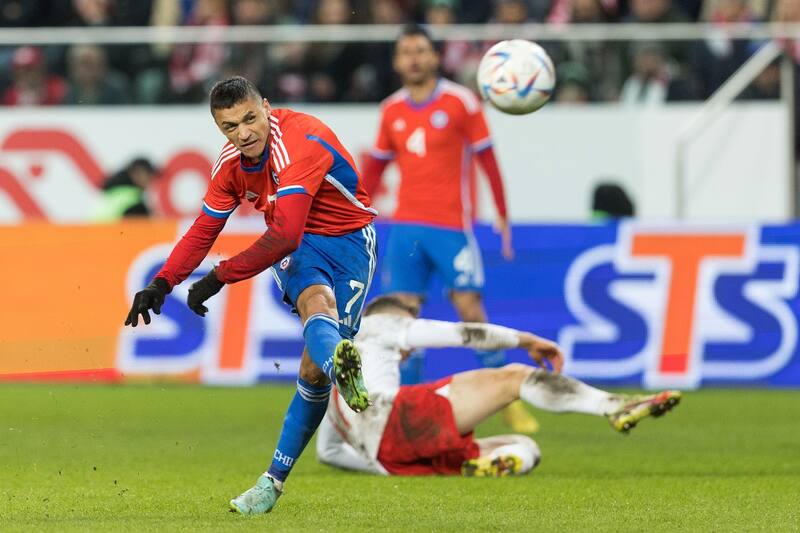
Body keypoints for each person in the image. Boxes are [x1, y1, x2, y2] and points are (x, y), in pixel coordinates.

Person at [123, 76, 377, 514]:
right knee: (315, 305)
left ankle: (332, 368)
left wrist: (219, 277)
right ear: (219, 128)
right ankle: (337, 371)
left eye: (249, 119)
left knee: (312, 373)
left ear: (266, 107)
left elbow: (284, 236)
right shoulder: (229, 164)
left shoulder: (299, 142)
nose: (243, 134)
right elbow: (204, 230)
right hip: (302, 249)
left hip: (349, 241)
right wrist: (161, 282)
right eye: (229, 127)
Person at [360, 24, 538, 433]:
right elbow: (373, 171)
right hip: (406, 229)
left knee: (469, 309)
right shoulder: (391, 110)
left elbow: (488, 161)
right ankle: (411, 408)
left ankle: (508, 399)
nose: (414, 58)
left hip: (451, 227)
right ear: (397, 62)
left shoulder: (462, 103)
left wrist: (503, 215)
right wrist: (352, 216)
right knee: (402, 320)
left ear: (436, 57)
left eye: (421, 50)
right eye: (406, 52)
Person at [316, 295, 682, 476]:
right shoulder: (383, 322)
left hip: (391, 457)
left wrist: (380, 467)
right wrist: (525, 340)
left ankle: (479, 465)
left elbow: (328, 452)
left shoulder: (337, 370)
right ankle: (613, 405)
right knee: (514, 376)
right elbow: (464, 333)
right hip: (395, 415)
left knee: (525, 447)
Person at [93, 157, 158, 221]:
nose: (152, 179)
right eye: (149, 174)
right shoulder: (133, 200)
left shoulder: (111, 192)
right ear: (137, 173)